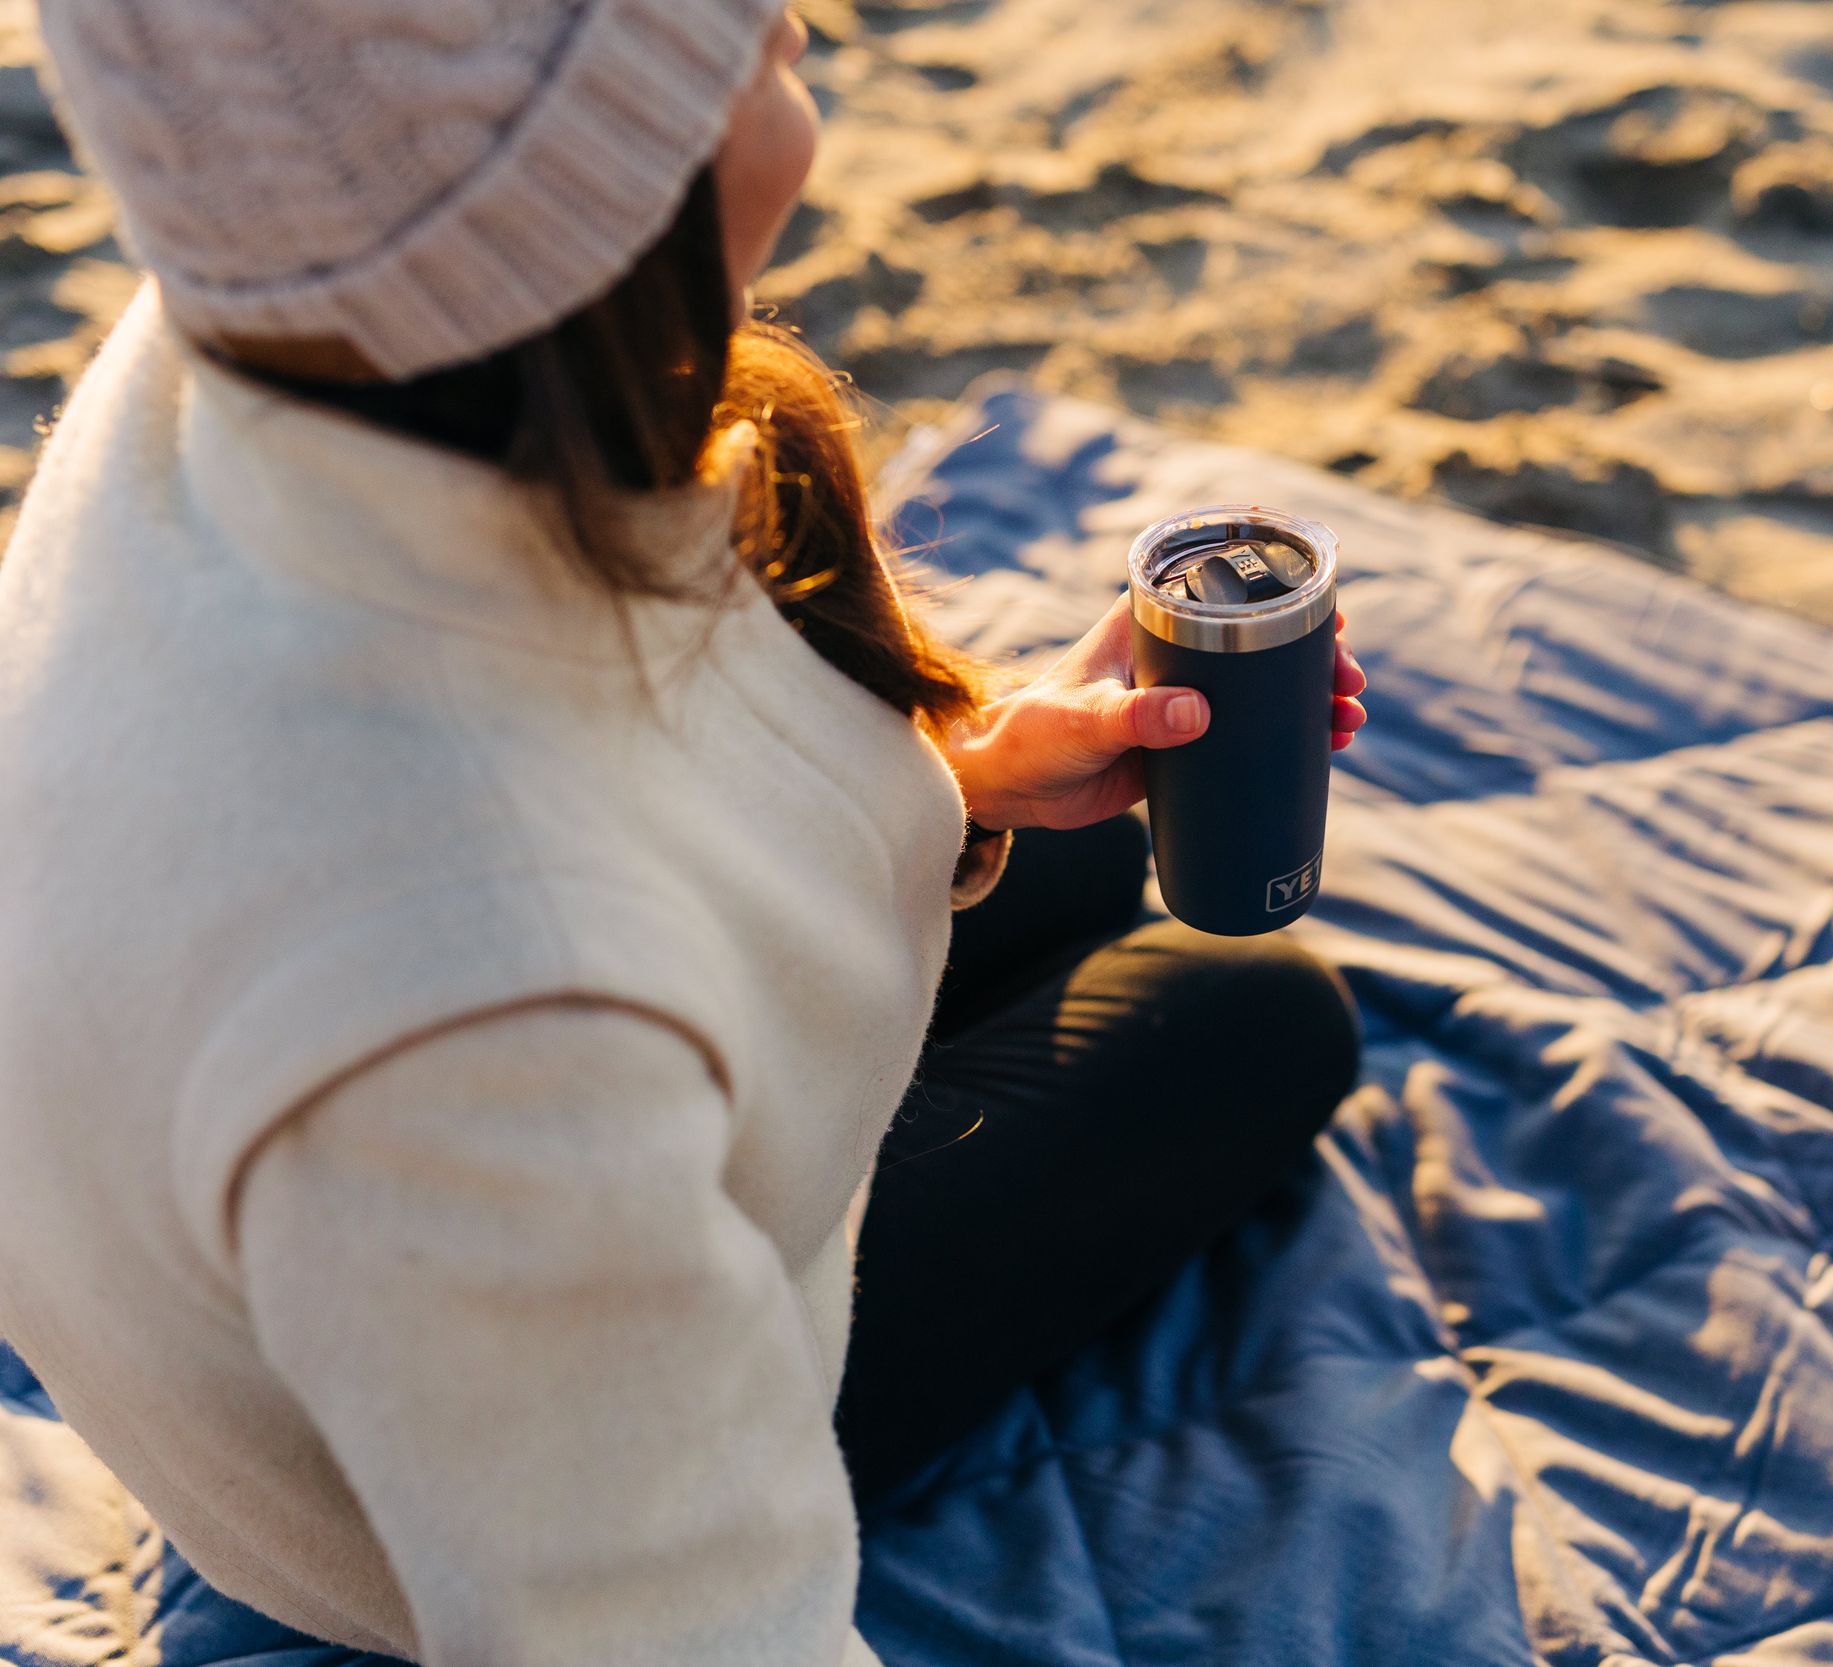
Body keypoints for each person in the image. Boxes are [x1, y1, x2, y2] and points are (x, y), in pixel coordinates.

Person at [0, 5, 1368, 1664]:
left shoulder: (282, 333)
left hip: (371, 1240)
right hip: (458, 1484)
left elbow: (599, 769)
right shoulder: (462, 1006)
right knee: (1253, 1014)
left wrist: (968, 770)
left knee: (1087, 847)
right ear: (573, 168)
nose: (789, 16)